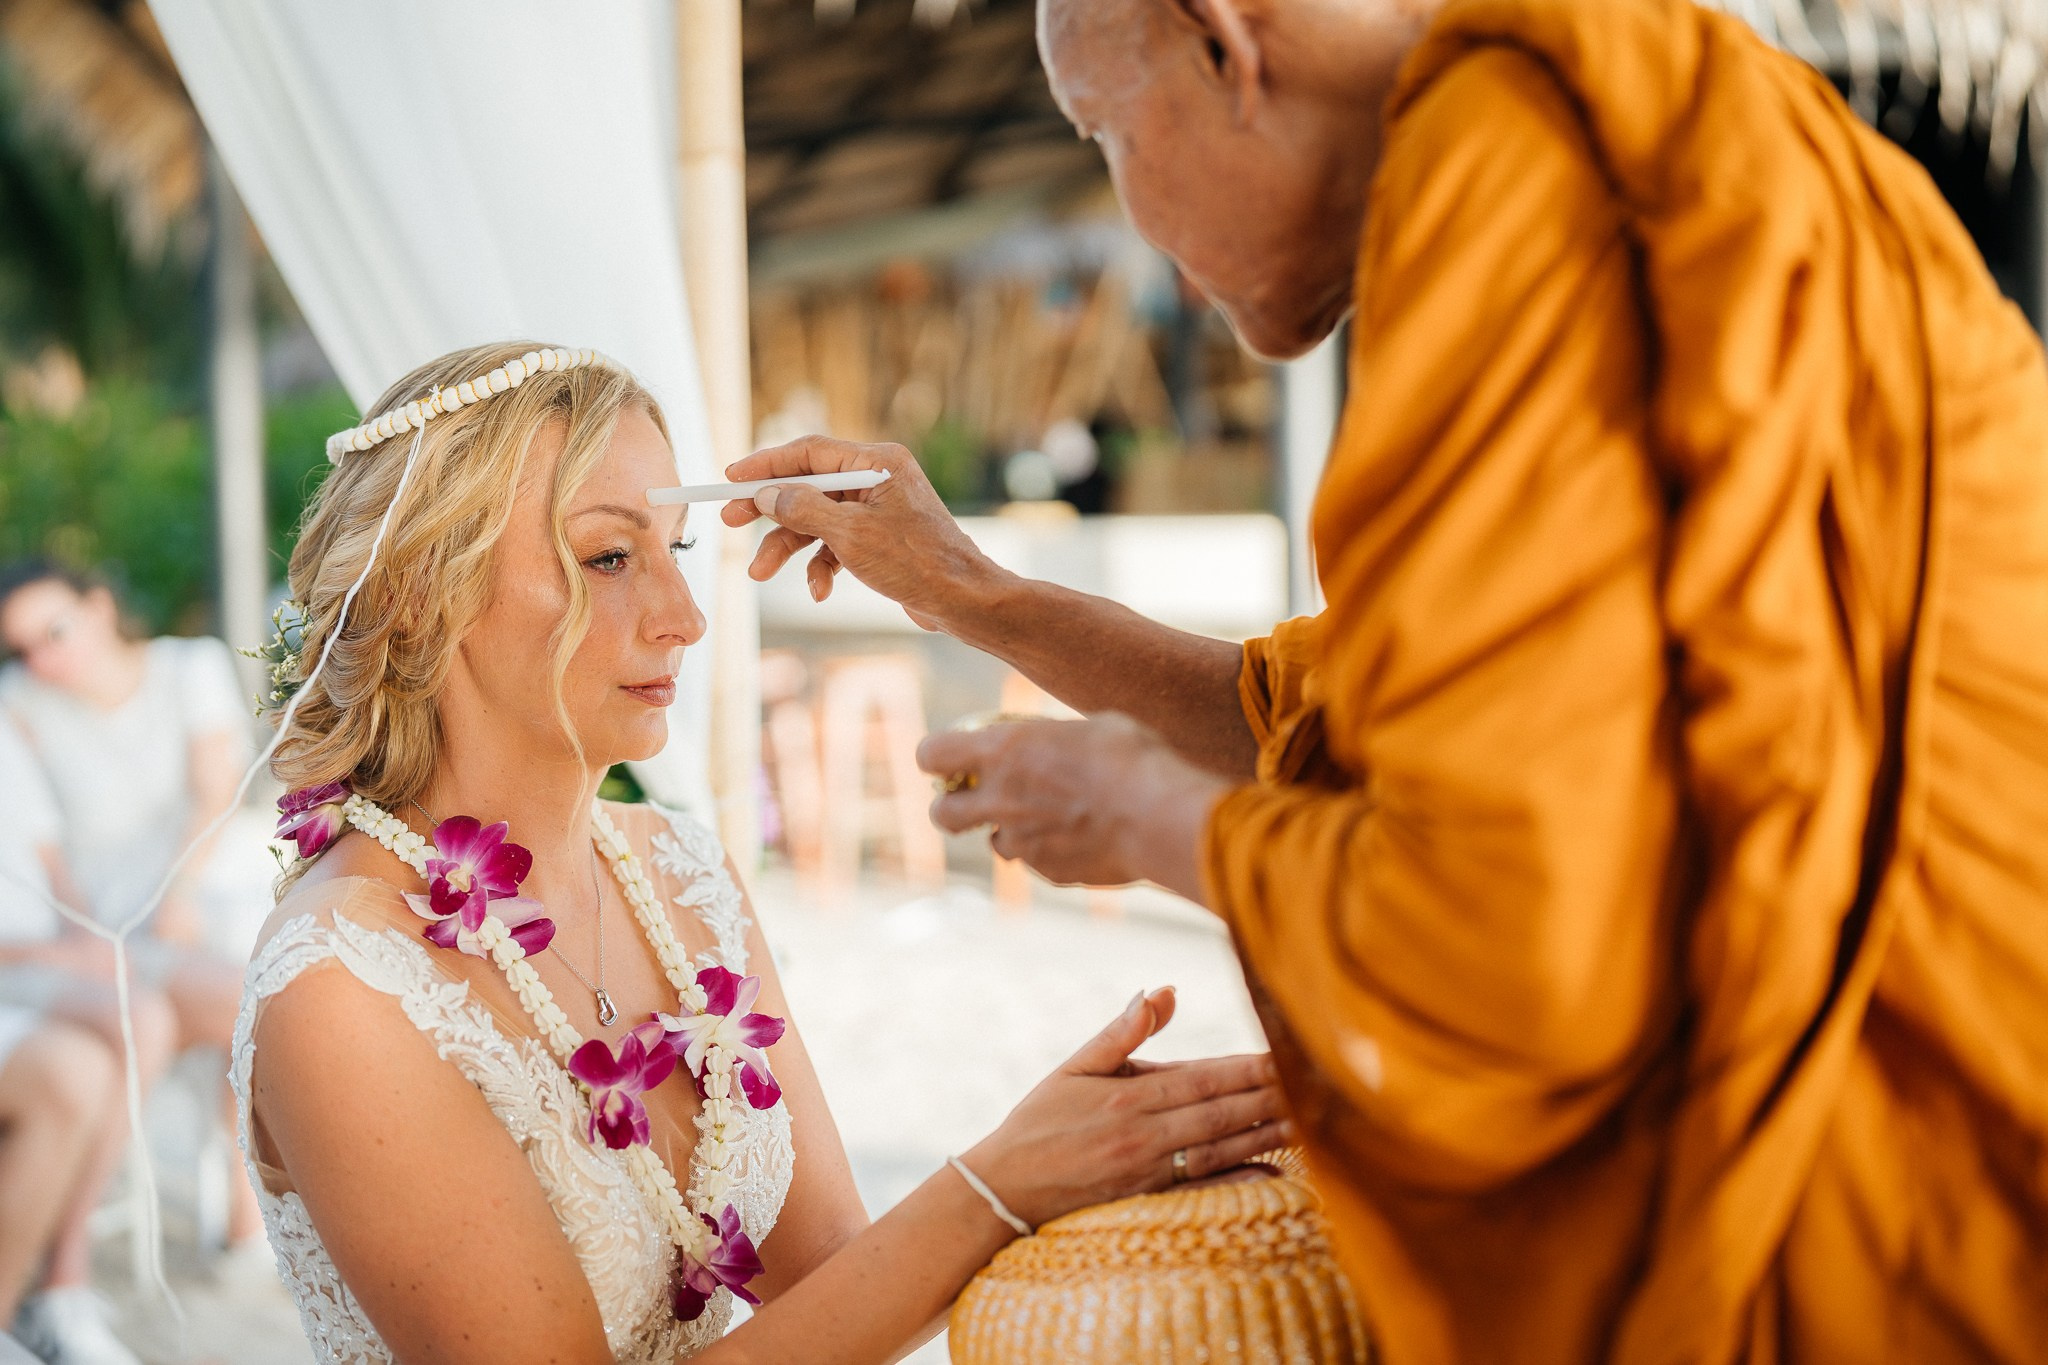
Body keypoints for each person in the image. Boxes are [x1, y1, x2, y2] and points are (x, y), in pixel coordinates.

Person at [717, 0, 2048, 1359]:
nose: (1130, 214)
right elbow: (1329, 725)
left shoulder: (1527, 180)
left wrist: (1152, 822)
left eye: (1105, 131)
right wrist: (968, 593)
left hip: (1915, 1185)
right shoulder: (1611, 138)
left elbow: (1526, 933)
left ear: (1229, 47)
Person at [239, 340, 1291, 1364]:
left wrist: (1085, 1158)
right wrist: (996, 1189)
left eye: (675, 554)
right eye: (608, 557)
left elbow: (834, 1279)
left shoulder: (677, 872)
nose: (685, 618)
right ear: (423, 593)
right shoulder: (343, 984)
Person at [0, 564, 265, 1257]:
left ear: (99, 604)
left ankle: (247, 1206)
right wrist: (88, 937)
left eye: (54, 630)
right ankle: (74, 1244)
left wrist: (178, 891)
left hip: (194, 894)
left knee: (265, 999)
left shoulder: (186, 666)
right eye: (24, 646)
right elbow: (40, 842)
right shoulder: (20, 700)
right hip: (108, 926)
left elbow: (217, 792)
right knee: (243, 998)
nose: (44, 657)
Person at [0, 717, 155, 1365]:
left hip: (39, 950)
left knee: (134, 1019)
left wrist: (83, 933)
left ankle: (58, 1284)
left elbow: (46, 857)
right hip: (16, 959)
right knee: (79, 1065)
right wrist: (51, 952)